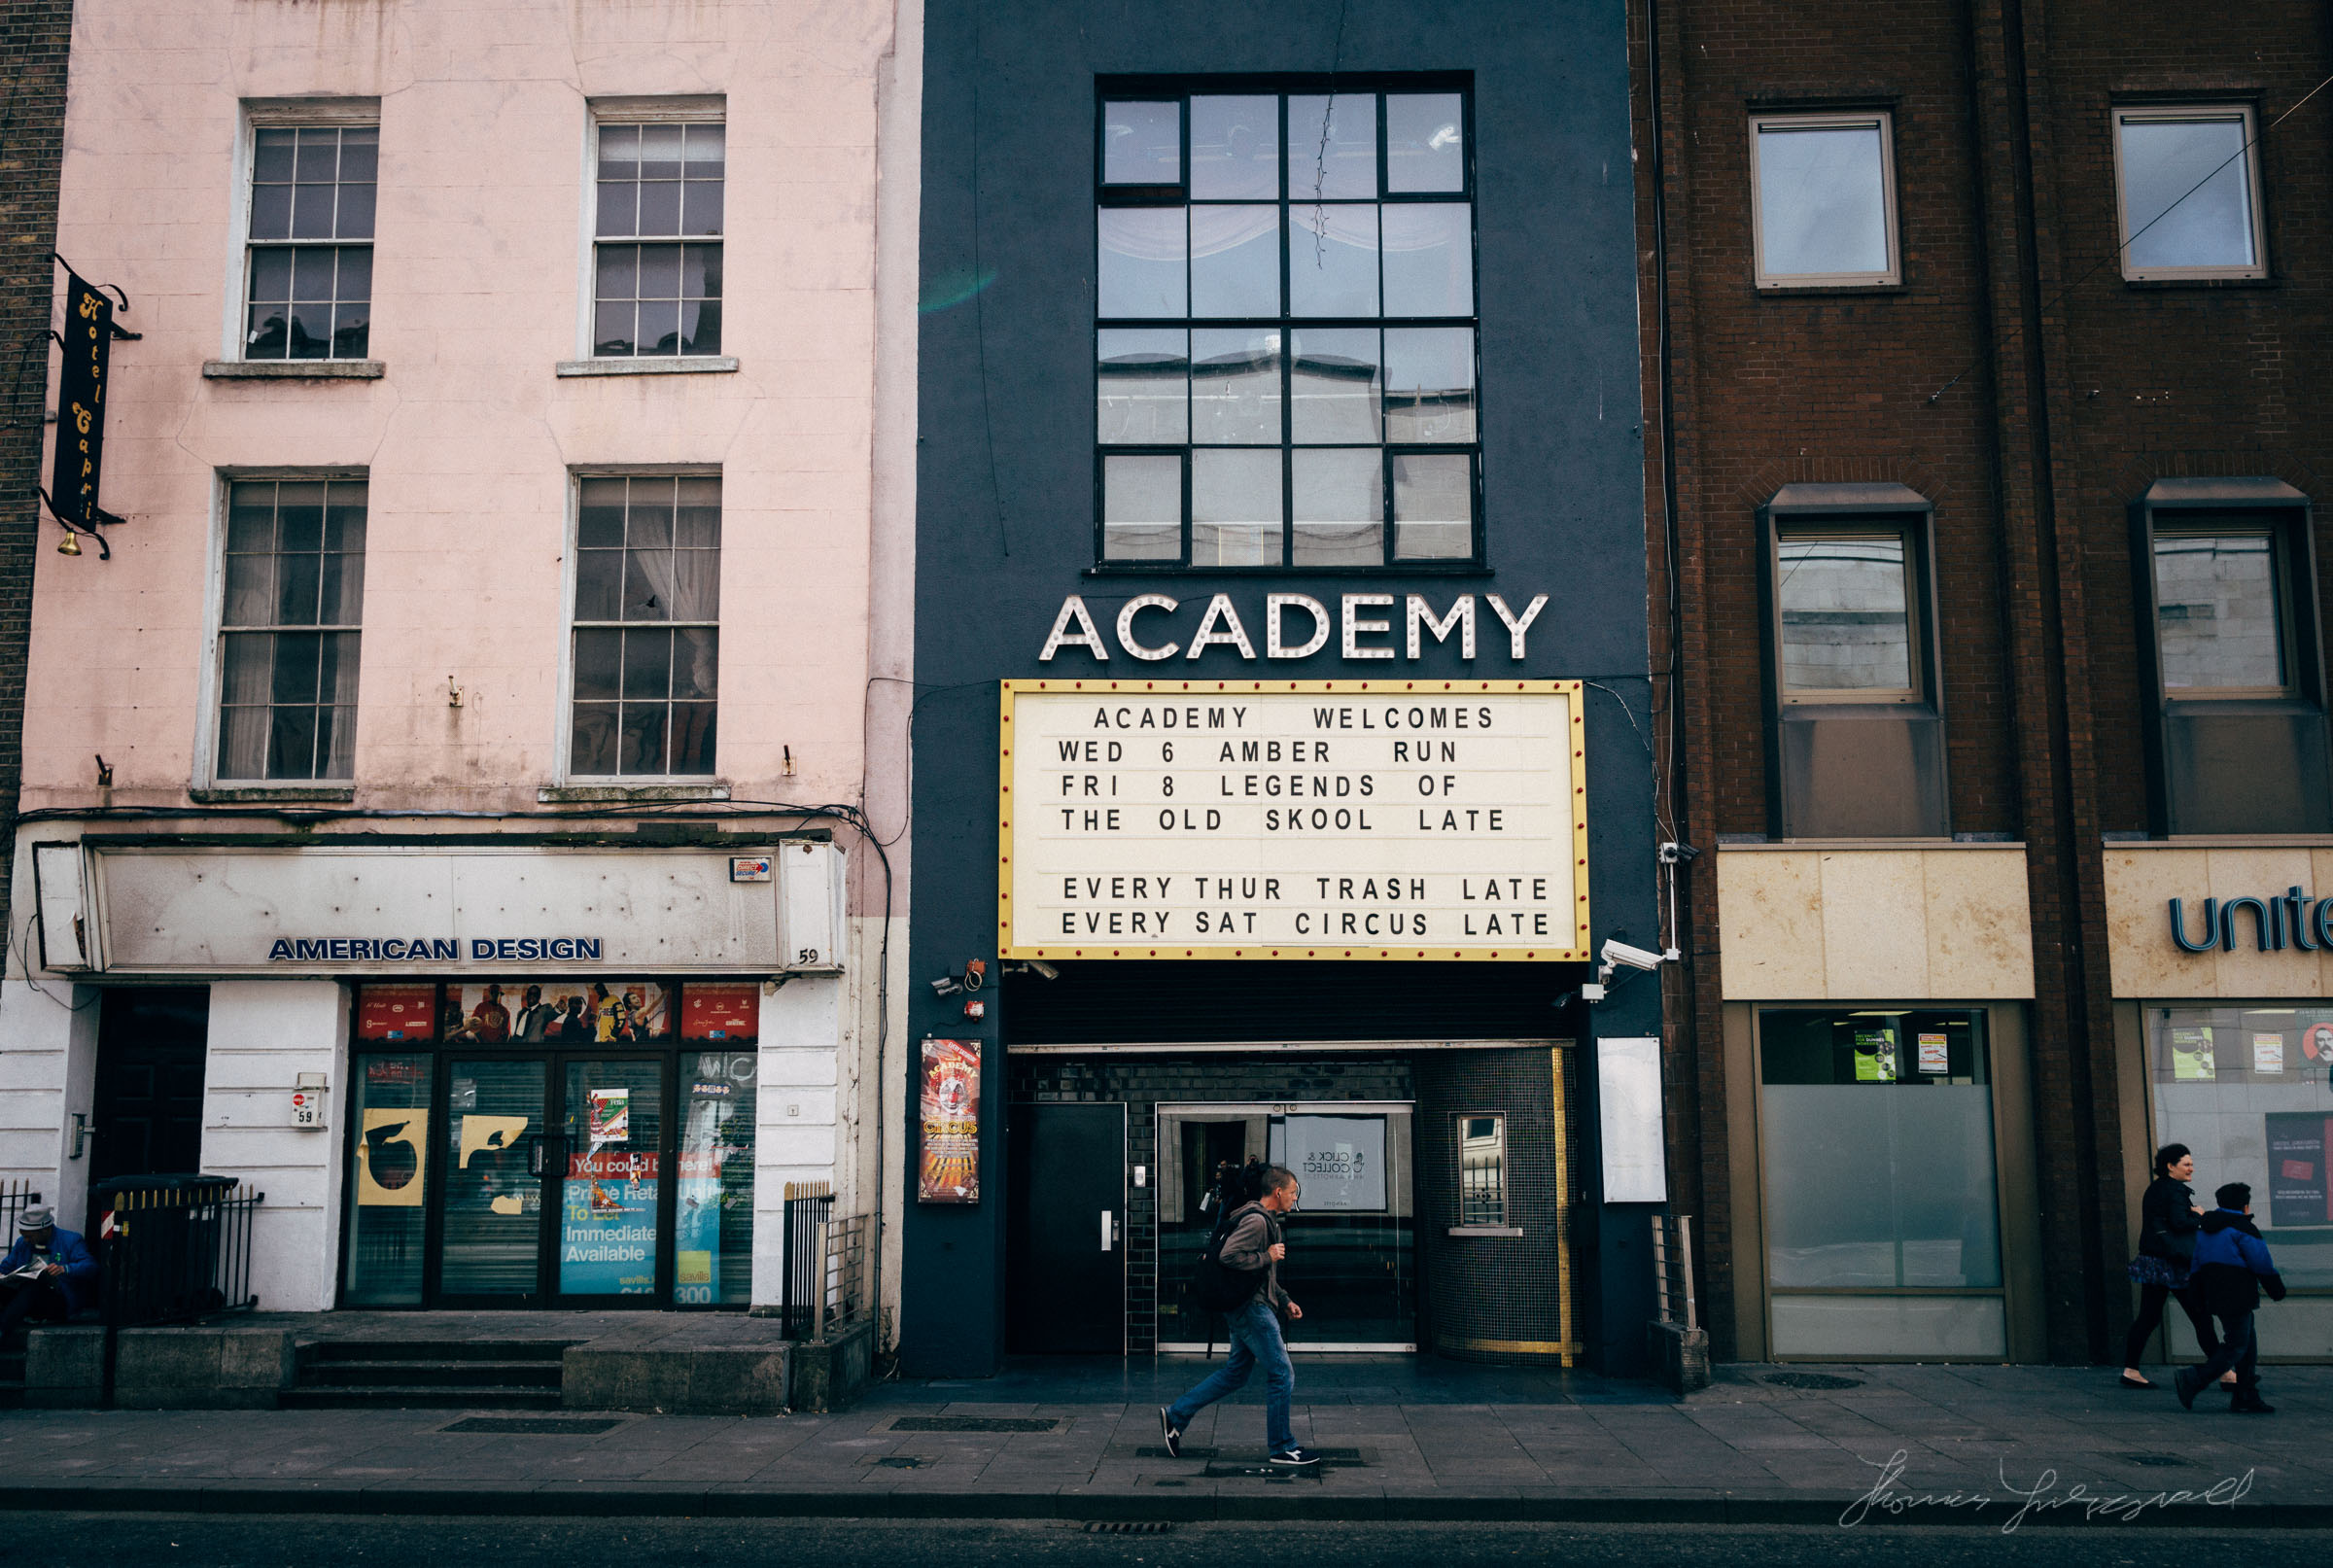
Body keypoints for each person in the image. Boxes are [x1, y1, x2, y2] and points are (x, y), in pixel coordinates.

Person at [1160, 1165, 1319, 1469]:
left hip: (1252, 1303)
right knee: (1282, 1374)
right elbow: (1228, 1256)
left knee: (1236, 1374)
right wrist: (1267, 1256)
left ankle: (1176, 1415)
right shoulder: (1258, 1222)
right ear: (1277, 1192)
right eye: (1293, 1192)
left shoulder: (1268, 1221)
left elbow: (1263, 1275)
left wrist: (1284, 1300)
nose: (1294, 1198)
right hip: (1251, 1309)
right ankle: (1282, 1446)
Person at [2119, 1142, 2222, 1390]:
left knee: (2148, 1317)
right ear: (2170, 1166)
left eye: (2191, 1164)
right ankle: (2225, 1371)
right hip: (2174, 1264)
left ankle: (2131, 1369)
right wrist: (2197, 1214)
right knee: (2200, 1316)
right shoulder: (2175, 1191)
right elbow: (2179, 1222)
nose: (2191, 1169)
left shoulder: (2155, 1189)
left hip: (2154, 1261)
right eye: (2186, 1164)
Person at [2176, 1182, 2285, 1414]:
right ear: (2245, 1206)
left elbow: (2197, 1262)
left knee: (2247, 1343)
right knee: (2237, 1345)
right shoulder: (2243, 1228)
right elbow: (2261, 1263)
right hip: (2239, 1292)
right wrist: (2276, 1289)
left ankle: (2245, 1394)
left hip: (2216, 1293)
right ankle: (2194, 1378)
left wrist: (2196, 1293)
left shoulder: (2206, 1229)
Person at [0, 1206, 97, 1347]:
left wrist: (65, 1268)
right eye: (24, 1236)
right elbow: (6, 1267)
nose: (26, 1240)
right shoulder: (22, 1243)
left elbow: (91, 1266)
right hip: (25, 1301)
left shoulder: (71, 1240)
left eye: (29, 1236)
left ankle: (2, 1329)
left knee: (33, 1285)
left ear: (45, 1230)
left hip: (57, 1302)